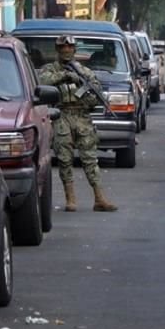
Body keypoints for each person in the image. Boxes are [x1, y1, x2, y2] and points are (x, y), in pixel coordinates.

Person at [38, 35, 118, 213]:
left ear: (74, 50)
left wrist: (85, 89)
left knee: (90, 158)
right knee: (64, 158)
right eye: (62, 48)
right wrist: (65, 76)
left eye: (69, 48)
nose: (66, 51)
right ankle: (70, 199)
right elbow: (42, 82)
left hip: (82, 116)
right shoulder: (49, 70)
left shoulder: (85, 72)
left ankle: (99, 198)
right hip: (61, 115)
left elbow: (95, 99)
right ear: (57, 50)